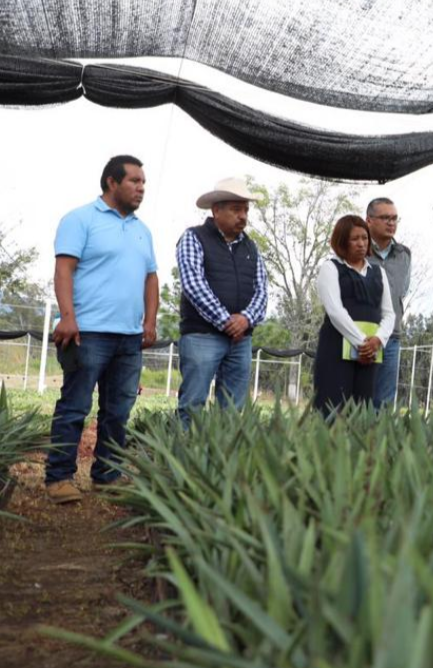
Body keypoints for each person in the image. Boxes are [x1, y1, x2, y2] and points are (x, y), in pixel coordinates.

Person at [46, 155, 158, 504]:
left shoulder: (142, 230)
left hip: (129, 338)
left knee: (118, 411)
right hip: (87, 332)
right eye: (134, 181)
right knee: (75, 407)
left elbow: (151, 277)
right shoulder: (81, 219)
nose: (141, 188)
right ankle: (59, 477)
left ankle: (106, 475)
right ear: (112, 182)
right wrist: (67, 316)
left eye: (143, 182)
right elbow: (64, 269)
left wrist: (150, 322)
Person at [175, 177, 267, 427]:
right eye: (236, 210)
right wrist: (227, 321)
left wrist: (246, 319)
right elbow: (194, 284)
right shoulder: (193, 237)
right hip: (202, 337)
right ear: (216, 210)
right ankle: (182, 461)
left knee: (233, 410)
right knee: (192, 405)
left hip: (241, 342)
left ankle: (222, 462)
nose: (243, 216)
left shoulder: (251, 247)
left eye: (245, 210)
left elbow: (262, 292)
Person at [313, 215, 395, 417]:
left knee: (362, 410)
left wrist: (377, 341)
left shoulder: (378, 272)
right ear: (342, 241)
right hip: (336, 348)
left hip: (369, 355)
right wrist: (362, 343)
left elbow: (389, 313)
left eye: (364, 238)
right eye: (354, 239)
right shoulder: (330, 268)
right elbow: (335, 311)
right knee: (332, 408)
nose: (361, 243)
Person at [365, 197, 411, 409]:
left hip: (391, 336)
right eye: (385, 218)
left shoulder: (404, 254)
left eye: (394, 218)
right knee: (359, 398)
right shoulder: (359, 249)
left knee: (384, 402)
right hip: (363, 334)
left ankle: (378, 442)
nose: (391, 223)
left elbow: (402, 290)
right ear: (369, 221)